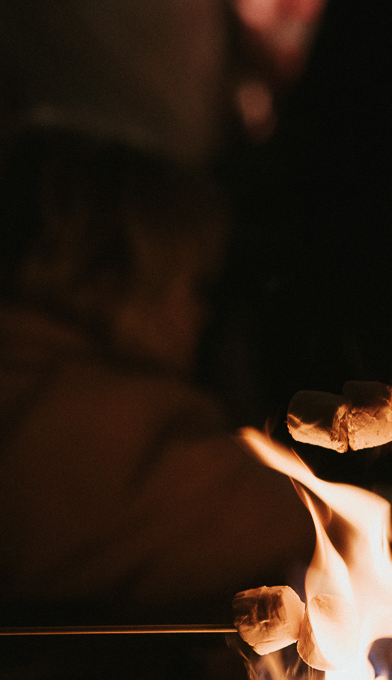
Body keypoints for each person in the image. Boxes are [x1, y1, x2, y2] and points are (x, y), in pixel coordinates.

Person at [0, 128, 313, 614]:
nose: (202, 315)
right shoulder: (87, 427)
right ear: (113, 275)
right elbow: (275, 519)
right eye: (196, 286)